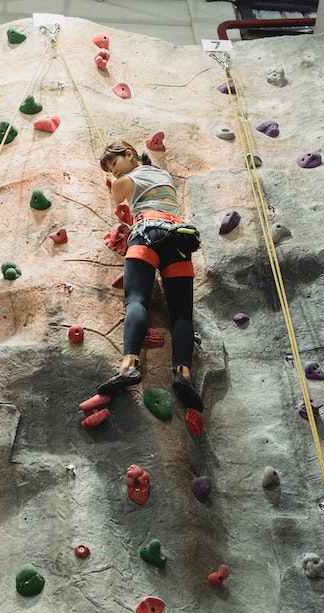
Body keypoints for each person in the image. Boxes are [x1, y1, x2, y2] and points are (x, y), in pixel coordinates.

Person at [96, 141, 203, 413]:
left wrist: (113, 179)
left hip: (149, 233)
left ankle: (129, 366)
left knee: (136, 301)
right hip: (179, 239)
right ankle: (183, 374)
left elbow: (117, 193)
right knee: (182, 314)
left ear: (129, 155)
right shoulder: (162, 175)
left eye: (115, 164)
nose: (115, 171)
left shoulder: (133, 176)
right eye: (110, 168)